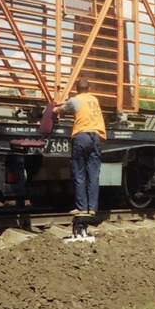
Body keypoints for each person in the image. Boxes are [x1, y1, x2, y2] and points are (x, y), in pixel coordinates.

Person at [52, 78, 105, 216]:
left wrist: (53, 109)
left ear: (76, 88)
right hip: (96, 136)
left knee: (79, 173)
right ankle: (92, 208)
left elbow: (61, 110)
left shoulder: (75, 100)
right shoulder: (94, 100)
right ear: (89, 88)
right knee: (93, 174)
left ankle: (81, 208)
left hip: (82, 136)